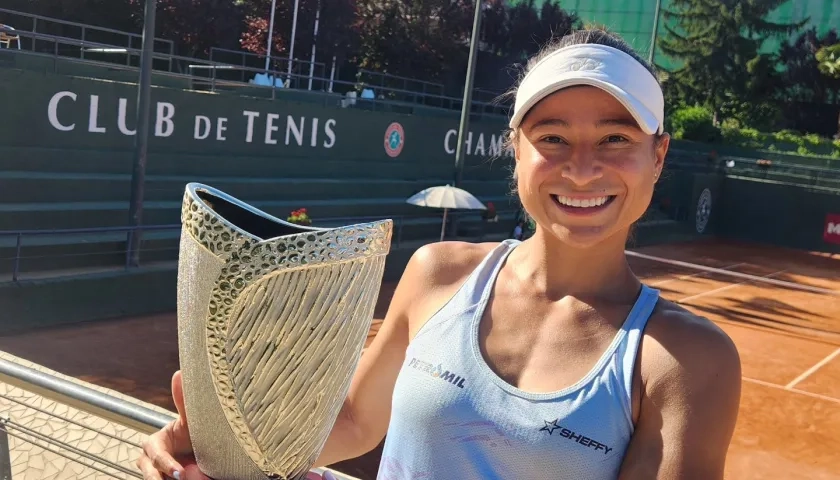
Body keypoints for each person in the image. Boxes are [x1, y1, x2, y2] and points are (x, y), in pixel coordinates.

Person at [137, 27, 741, 480]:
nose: (582, 168)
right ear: (516, 149)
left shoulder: (687, 363)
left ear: (657, 156)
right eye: (551, 137)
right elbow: (353, 422)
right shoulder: (437, 273)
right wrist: (213, 452)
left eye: (616, 137)